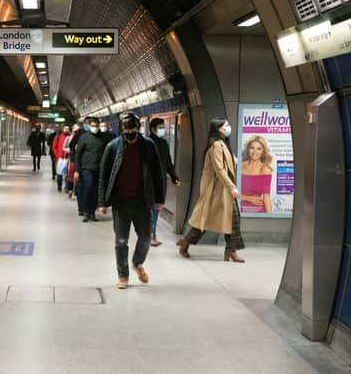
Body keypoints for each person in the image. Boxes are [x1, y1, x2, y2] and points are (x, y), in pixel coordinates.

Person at [98, 112, 165, 289]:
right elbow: (104, 175)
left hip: (143, 201)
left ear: (138, 128)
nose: (129, 133)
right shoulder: (112, 147)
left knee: (145, 237)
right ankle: (123, 276)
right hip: (121, 202)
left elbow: (157, 174)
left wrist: (160, 199)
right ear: (121, 129)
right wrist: (102, 202)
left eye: (133, 129)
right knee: (121, 241)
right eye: (126, 130)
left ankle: (137, 262)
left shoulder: (148, 146)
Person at [176, 118, 245, 262]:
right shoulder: (216, 146)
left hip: (222, 189)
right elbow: (219, 169)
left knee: (232, 219)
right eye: (226, 125)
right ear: (219, 128)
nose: (229, 127)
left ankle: (231, 250)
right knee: (206, 220)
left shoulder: (223, 143)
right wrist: (232, 187)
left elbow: (226, 164)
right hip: (216, 189)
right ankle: (186, 242)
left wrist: (234, 161)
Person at [148, 118, 181, 246]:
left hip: (161, 181)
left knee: (156, 207)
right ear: (153, 128)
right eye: (160, 127)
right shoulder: (146, 143)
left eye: (163, 127)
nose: (163, 129)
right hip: (148, 181)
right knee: (150, 207)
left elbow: (168, 163)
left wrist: (174, 177)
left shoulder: (163, 143)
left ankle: (152, 234)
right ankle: (150, 234)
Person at [74, 117, 106, 222]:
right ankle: (86, 211)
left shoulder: (102, 138)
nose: (95, 128)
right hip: (86, 168)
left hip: (99, 169)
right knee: (88, 188)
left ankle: (92, 212)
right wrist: (76, 170)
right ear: (89, 126)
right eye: (93, 126)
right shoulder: (84, 137)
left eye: (96, 126)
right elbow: (78, 154)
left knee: (95, 191)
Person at [240, 135, 273, 213]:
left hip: (258, 211)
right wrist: (249, 198)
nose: (255, 152)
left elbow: (266, 197)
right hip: (239, 209)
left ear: (263, 151)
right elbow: (230, 192)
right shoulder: (239, 166)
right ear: (248, 149)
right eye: (252, 148)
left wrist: (270, 218)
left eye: (259, 149)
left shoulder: (265, 169)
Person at [52, 124, 71, 192]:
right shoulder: (58, 137)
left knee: (66, 173)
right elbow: (54, 147)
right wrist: (57, 155)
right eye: (65, 129)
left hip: (68, 159)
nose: (66, 130)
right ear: (63, 129)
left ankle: (66, 187)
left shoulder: (71, 137)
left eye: (68, 129)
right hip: (59, 159)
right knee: (59, 173)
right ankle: (59, 185)